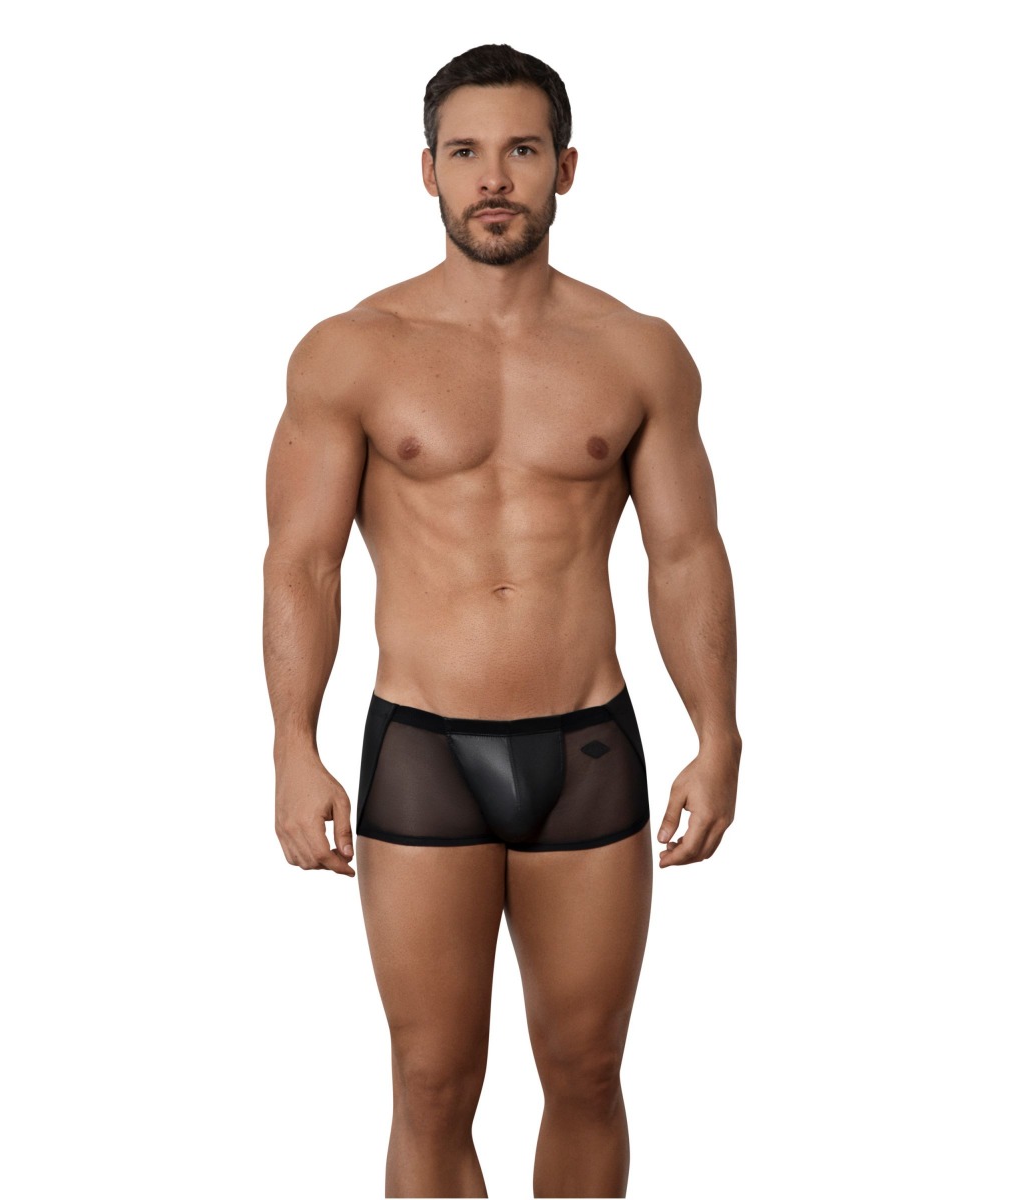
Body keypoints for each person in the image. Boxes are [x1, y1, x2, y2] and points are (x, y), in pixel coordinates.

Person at [262, 42, 742, 1199]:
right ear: (426, 170)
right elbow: (302, 563)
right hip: (424, 749)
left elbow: (685, 553)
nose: (493, 177)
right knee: (431, 1084)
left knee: (587, 1072)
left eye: (521, 150)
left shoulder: (638, 352)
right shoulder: (351, 351)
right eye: (466, 152)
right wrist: (293, 745)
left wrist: (718, 733)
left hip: (586, 747)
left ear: (565, 168)